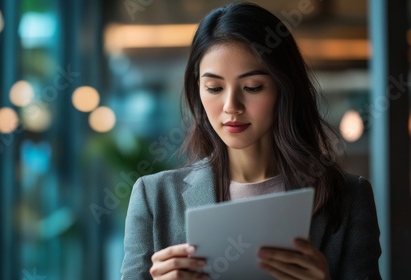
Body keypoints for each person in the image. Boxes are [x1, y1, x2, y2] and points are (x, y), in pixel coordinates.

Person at [120, 2, 381, 279]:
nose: (231, 105)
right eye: (214, 88)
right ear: (198, 91)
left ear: (284, 88)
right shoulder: (155, 197)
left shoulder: (349, 198)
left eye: (252, 87)